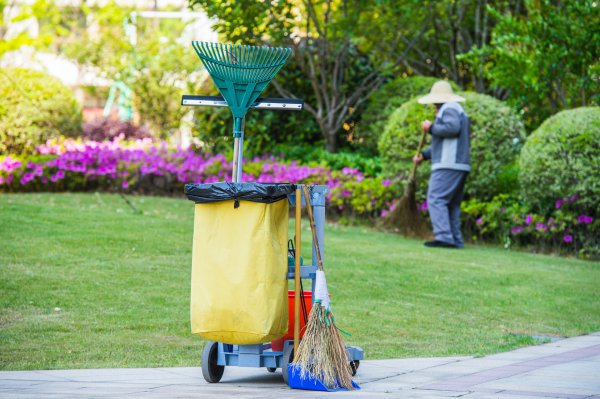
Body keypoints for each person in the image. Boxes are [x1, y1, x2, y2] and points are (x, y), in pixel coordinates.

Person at [413, 81, 470, 249]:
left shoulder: (450, 108)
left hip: (449, 164)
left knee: (436, 198)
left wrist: (431, 128)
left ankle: (444, 237)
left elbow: (452, 128)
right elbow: (444, 143)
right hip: (459, 164)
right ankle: (455, 239)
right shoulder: (455, 110)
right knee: (451, 203)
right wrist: (423, 155)